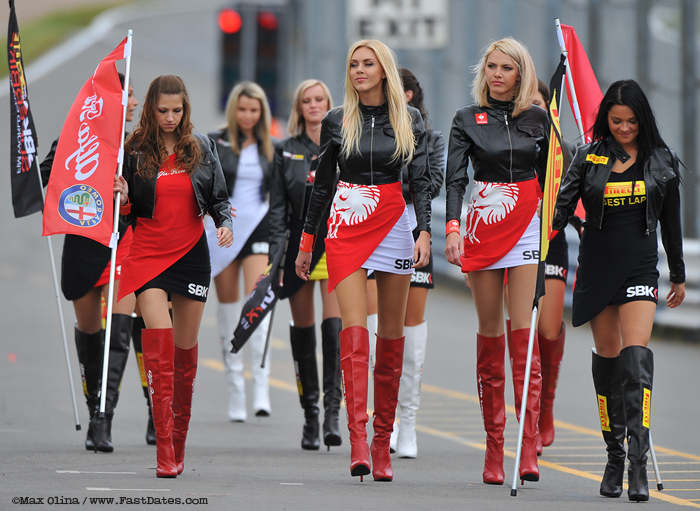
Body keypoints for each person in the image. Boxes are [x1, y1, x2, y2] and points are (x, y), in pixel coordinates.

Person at [295, 39, 432, 482]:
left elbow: (422, 181)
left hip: (394, 220)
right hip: (347, 220)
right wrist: (305, 241)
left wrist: (424, 230)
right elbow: (322, 185)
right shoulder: (337, 119)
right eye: (353, 63)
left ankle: (382, 442)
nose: (358, 70)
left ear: (384, 70)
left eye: (367, 64)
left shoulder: (407, 118)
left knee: (390, 337)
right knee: (355, 335)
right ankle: (357, 441)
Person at [553, 79, 685, 501]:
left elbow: (672, 226)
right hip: (596, 269)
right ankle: (613, 455)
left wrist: (678, 275)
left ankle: (637, 464)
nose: (624, 128)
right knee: (608, 366)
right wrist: (542, 241)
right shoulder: (589, 155)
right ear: (605, 120)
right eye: (616, 121)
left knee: (635, 360)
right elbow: (560, 209)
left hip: (641, 267)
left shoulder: (661, 160)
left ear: (642, 119)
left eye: (631, 121)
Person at [116, 75, 233, 478]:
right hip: (147, 256)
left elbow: (219, 197)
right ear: (151, 109)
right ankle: (164, 451)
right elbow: (126, 211)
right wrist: (123, 195)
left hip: (191, 257)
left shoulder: (201, 147)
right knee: (160, 351)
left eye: (176, 110)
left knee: (184, 357)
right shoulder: (132, 149)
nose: (169, 117)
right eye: (162, 110)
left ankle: (178, 443)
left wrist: (225, 223)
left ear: (185, 109)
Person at [444, 38, 548, 485]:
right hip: (482, 222)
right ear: (483, 71)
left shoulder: (538, 119)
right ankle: (494, 447)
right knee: (490, 336)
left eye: (507, 67)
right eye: (492, 66)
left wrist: (559, 223)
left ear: (521, 73)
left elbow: (556, 174)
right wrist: (451, 227)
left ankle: (528, 446)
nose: (498, 74)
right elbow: (454, 176)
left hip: (527, 222)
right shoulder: (466, 118)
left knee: (522, 334)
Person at [40, 73, 139, 453]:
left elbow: (152, 200)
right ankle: (93, 408)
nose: (133, 102)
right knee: (90, 334)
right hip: (83, 248)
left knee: (119, 331)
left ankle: (104, 420)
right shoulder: (77, 138)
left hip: (124, 246)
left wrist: (127, 190)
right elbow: (43, 180)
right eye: (128, 95)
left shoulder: (137, 145)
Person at [366, 67, 444, 459]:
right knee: (372, 329)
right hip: (368, 230)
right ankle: (382, 421)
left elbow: (430, 182)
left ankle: (407, 424)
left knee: (410, 331)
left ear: (409, 95)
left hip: (411, 228)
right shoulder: (359, 126)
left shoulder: (427, 136)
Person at [268, 79, 343, 451]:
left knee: (334, 332)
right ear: (298, 108)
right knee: (304, 333)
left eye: (320, 100)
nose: (314, 106)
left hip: (335, 242)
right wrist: (275, 257)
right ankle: (309, 415)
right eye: (307, 101)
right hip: (299, 245)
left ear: (331, 105)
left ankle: (332, 412)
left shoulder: (344, 142)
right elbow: (277, 210)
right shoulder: (285, 150)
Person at [206, 81, 276, 422]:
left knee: (258, 304)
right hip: (224, 231)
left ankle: (260, 386)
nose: (248, 115)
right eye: (242, 109)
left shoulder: (272, 147)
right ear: (233, 109)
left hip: (259, 230)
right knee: (228, 309)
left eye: (254, 109)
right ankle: (235, 389)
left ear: (261, 112)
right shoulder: (214, 142)